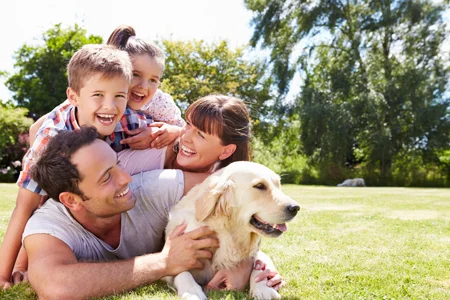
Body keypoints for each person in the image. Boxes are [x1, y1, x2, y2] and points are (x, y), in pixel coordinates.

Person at [0, 44, 138, 289]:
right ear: (73, 97)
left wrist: (169, 132)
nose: (110, 106)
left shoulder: (127, 117)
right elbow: (25, 207)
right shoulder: (50, 139)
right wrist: (7, 272)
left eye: (119, 96)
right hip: (61, 167)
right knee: (43, 199)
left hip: (98, 174)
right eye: (98, 95)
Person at [23, 127, 217, 299]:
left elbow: (230, 185)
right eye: (107, 177)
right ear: (72, 200)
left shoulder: (154, 188)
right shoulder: (48, 226)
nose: (126, 178)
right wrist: (164, 261)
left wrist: (245, 266)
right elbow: (56, 287)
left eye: (118, 164)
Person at [107, 25, 186, 150]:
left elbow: (184, 130)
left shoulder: (159, 102)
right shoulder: (99, 92)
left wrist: (172, 131)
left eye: (153, 80)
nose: (143, 86)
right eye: (136, 75)